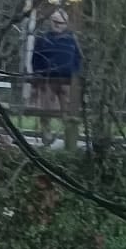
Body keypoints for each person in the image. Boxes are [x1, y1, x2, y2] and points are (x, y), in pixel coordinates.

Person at [30, 8, 83, 148]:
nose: (57, 25)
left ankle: (68, 138)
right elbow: (35, 59)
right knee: (45, 110)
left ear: (66, 23)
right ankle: (46, 136)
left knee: (67, 112)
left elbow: (79, 59)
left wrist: (75, 73)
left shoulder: (72, 40)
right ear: (51, 22)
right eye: (55, 22)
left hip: (67, 80)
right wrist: (38, 76)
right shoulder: (43, 39)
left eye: (61, 22)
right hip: (47, 80)